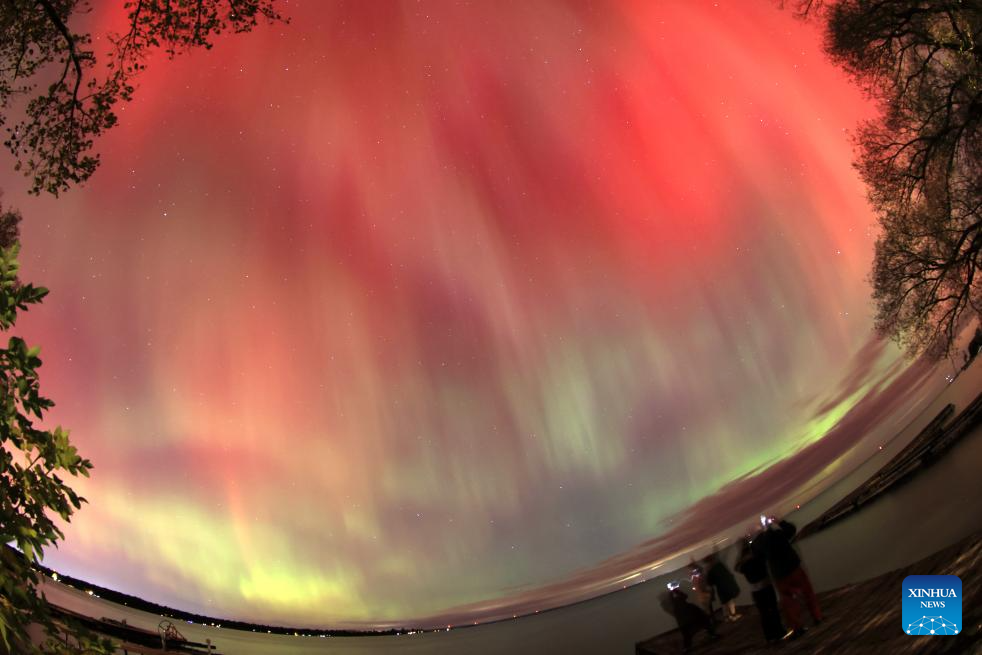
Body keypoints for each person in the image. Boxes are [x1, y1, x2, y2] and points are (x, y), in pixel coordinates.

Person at [752, 517, 822, 638]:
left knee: (789, 603)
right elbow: (791, 530)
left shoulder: (758, 543)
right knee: (808, 593)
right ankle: (817, 617)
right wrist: (779, 522)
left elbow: (758, 558)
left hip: (779, 575)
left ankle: (797, 627)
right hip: (793, 567)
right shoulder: (777, 533)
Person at [735, 536, 786, 643]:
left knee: (764, 614)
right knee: (773, 609)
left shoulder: (741, 562)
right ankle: (779, 632)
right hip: (766, 586)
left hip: (756, 591)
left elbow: (737, 568)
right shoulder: (756, 553)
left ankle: (769, 636)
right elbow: (764, 559)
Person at [660, 582, 718, 653]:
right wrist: (675, 590)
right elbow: (685, 596)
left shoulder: (671, 602)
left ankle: (687, 648)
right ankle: (712, 635)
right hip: (689, 618)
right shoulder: (679, 600)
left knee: (687, 634)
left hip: (683, 620)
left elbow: (682, 598)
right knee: (704, 622)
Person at [704, 550, 742, 622]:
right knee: (730, 601)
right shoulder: (719, 565)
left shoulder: (710, 570)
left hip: (720, 588)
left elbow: (710, 582)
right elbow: (728, 575)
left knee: (724, 603)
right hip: (726, 587)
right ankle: (732, 616)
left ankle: (727, 617)